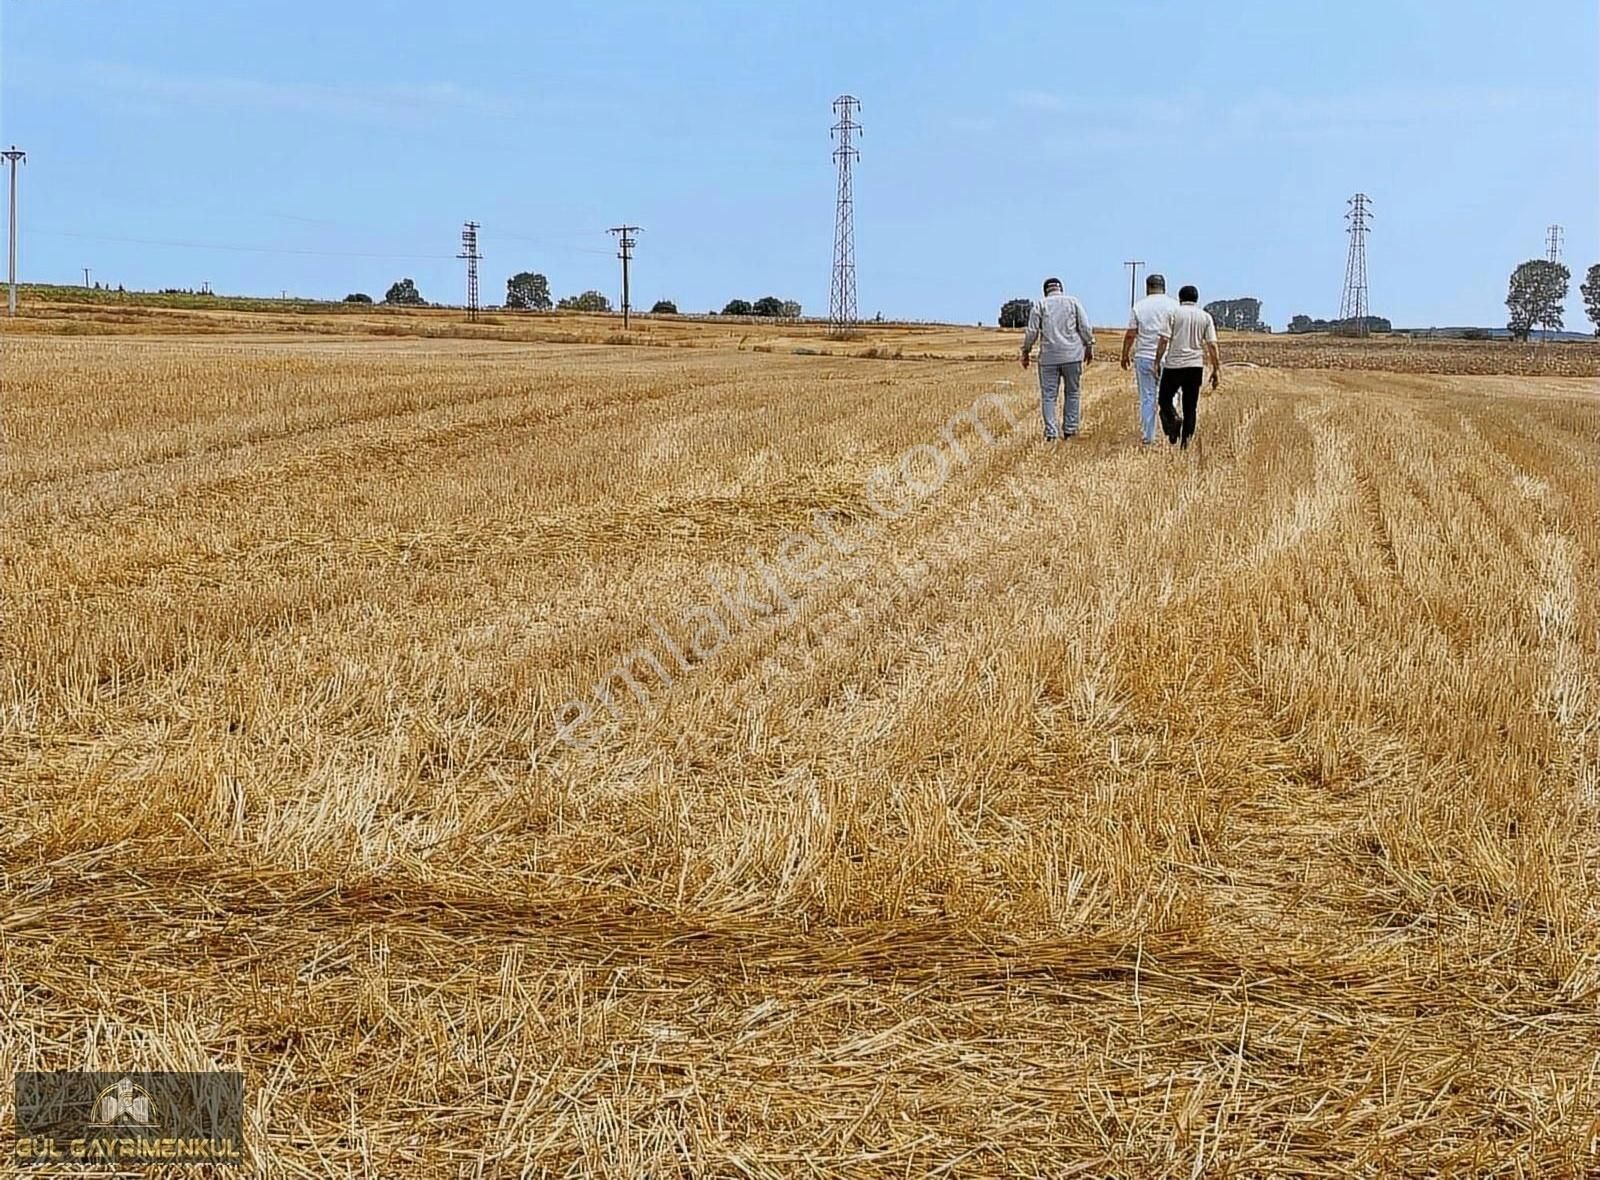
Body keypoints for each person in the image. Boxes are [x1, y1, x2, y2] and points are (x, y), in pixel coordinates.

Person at [1019, 277, 1094, 441]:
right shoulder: (1073, 302)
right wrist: (1089, 345)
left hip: (1048, 358)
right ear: (1061, 289)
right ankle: (1070, 429)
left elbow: (1031, 332)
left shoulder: (1040, 304)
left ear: (1045, 290)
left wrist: (1025, 351)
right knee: (1072, 393)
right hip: (1073, 355)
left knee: (1049, 396)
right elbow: (1085, 327)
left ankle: (1051, 433)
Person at [1152, 285, 1220, 449]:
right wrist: (1216, 369)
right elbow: (1212, 345)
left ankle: (1174, 419)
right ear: (1196, 299)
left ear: (1179, 298)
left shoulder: (1173, 314)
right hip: (1194, 366)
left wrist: (1157, 361)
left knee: (1164, 400)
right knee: (1191, 407)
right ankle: (1185, 444)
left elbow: (1163, 340)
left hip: (1174, 365)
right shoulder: (1205, 317)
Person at [1120, 273, 1179, 446]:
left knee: (1147, 397)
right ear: (1164, 287)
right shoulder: (1174, 306)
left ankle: (1149, 437)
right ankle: (1172, 415)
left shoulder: (1139, 306)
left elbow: (1131, 334)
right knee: (1171, 393)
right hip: (1169, 357)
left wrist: (1124, 354)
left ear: (1147, 287)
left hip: (1144, 356)